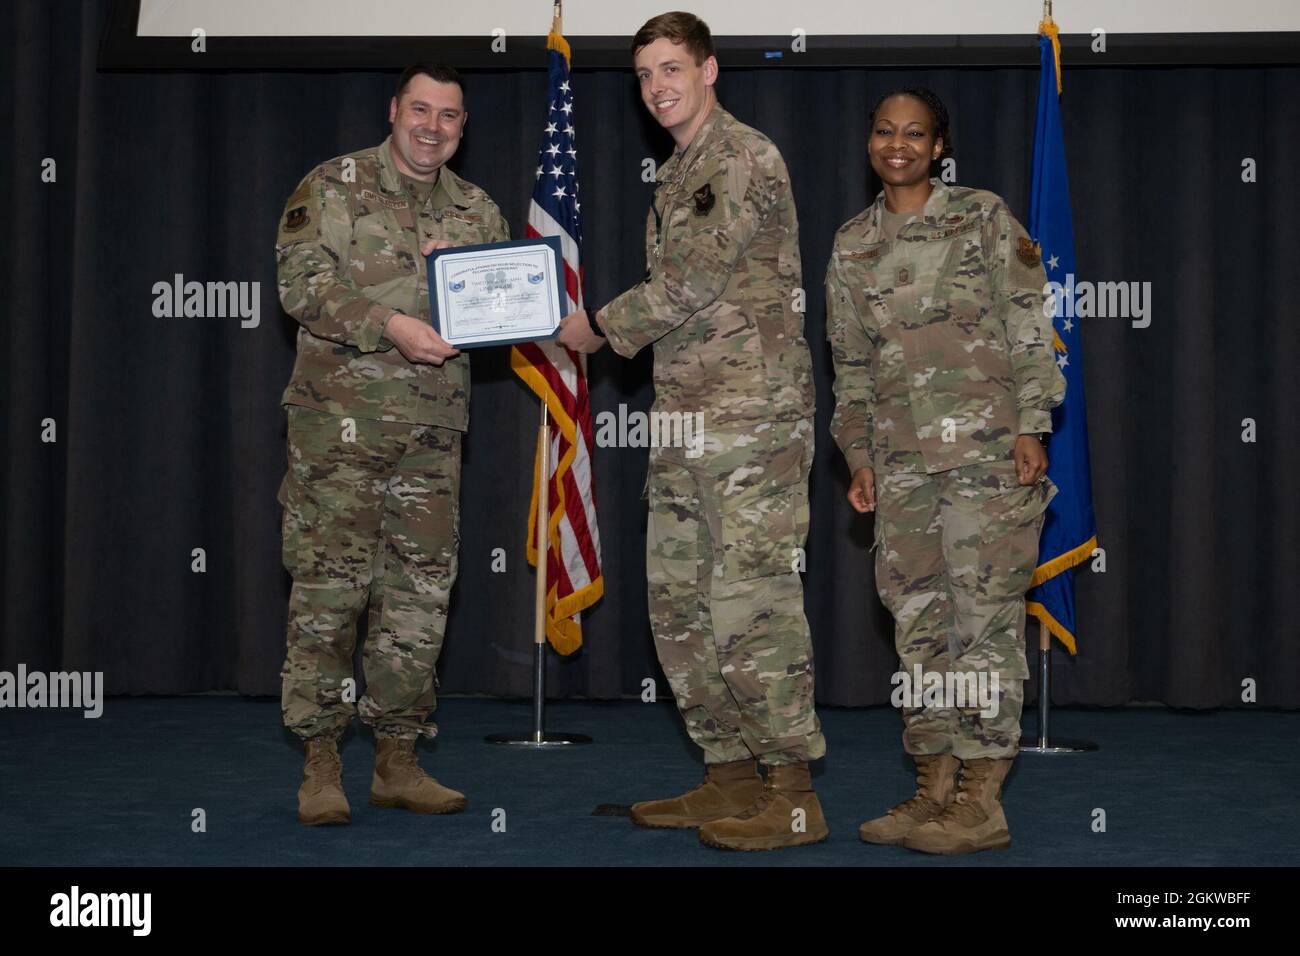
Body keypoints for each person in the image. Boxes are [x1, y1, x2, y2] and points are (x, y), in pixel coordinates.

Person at [557, 11, 826, 851]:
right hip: (685, 421)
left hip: (751, 420)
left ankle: (792, 797)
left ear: (710, 71)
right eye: (644, 75)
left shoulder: (739, 157)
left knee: (752, 608)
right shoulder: (681, 171)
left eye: (672, 69)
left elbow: (691, 280)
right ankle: (729, 778)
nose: (658, 87)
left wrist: (595, 326)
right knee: (679, 607)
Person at [826, 87, 1066, 854]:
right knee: (919, 629)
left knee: (985, 624)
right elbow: (850, 367)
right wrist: (859, 456)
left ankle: (981, 800)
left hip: (988, 458)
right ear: (870, 141)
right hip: (899, 468)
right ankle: (931, 790)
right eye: (885, 131)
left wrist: (1034, 424)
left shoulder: (984, 217)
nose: (899, 144)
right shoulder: (850, 244)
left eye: (915, 134)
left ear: (939, 146)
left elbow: (1030, 325)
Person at [275, 63, 509, 826]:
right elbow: (301, 284)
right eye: (421, 109)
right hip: (338, 427)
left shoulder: (478, 211)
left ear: (462, 127)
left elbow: (503, 311)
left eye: (449, 115)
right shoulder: (334, 184)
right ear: (394, 111)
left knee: (419, 600)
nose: (433, 126)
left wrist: (465, 279)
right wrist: (391, 324)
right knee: (328, 593)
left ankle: (398, 760)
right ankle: (319, 762)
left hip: (432, 435)